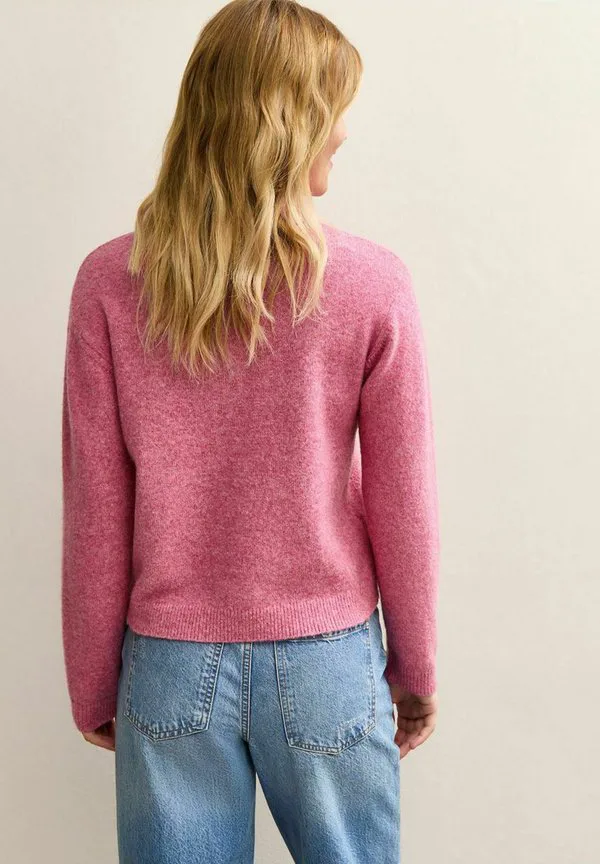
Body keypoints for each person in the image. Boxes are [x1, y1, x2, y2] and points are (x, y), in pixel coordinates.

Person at [61, 1, 440, 861]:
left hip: (167, 662)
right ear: (289, 123)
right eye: (335, 108)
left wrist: (93, 677)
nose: (346, 129)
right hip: (327, 658)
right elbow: (404, 500)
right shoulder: (374, 284)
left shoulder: (109, 283)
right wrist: (415, 668)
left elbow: (96, 504)